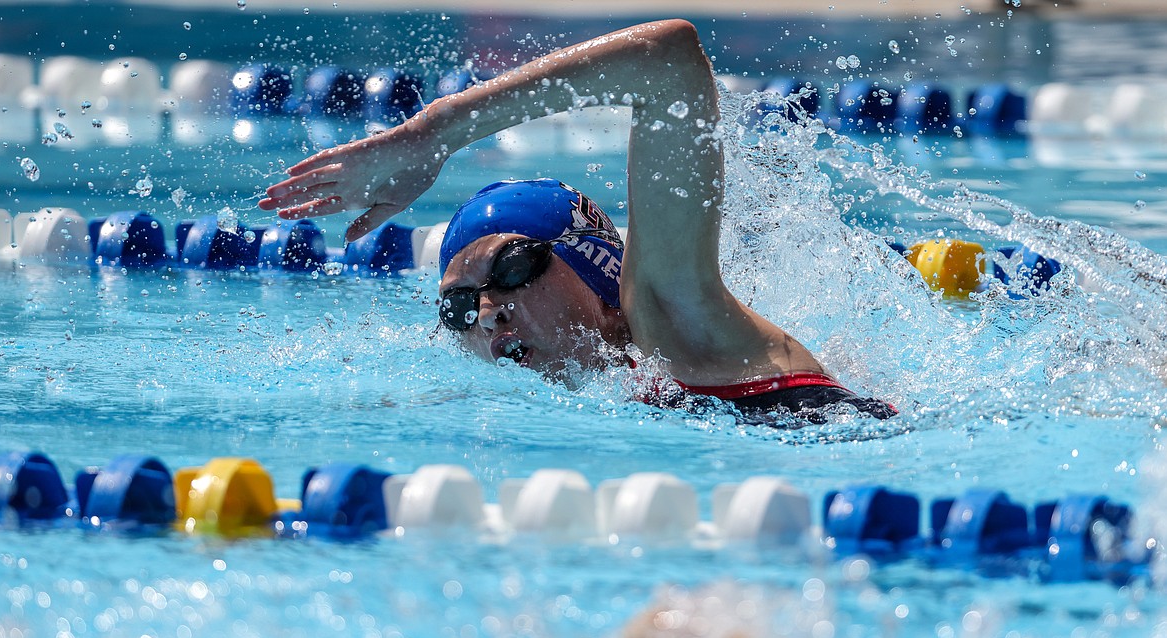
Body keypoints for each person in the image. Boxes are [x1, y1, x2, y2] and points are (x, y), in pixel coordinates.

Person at [259, 19, 895, 423]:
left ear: (600, 274)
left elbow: (669, 60)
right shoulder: (590, 400)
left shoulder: (680, 324)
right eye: (458, 306)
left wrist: (433, 132)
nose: (488, 313)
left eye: (513, 268)